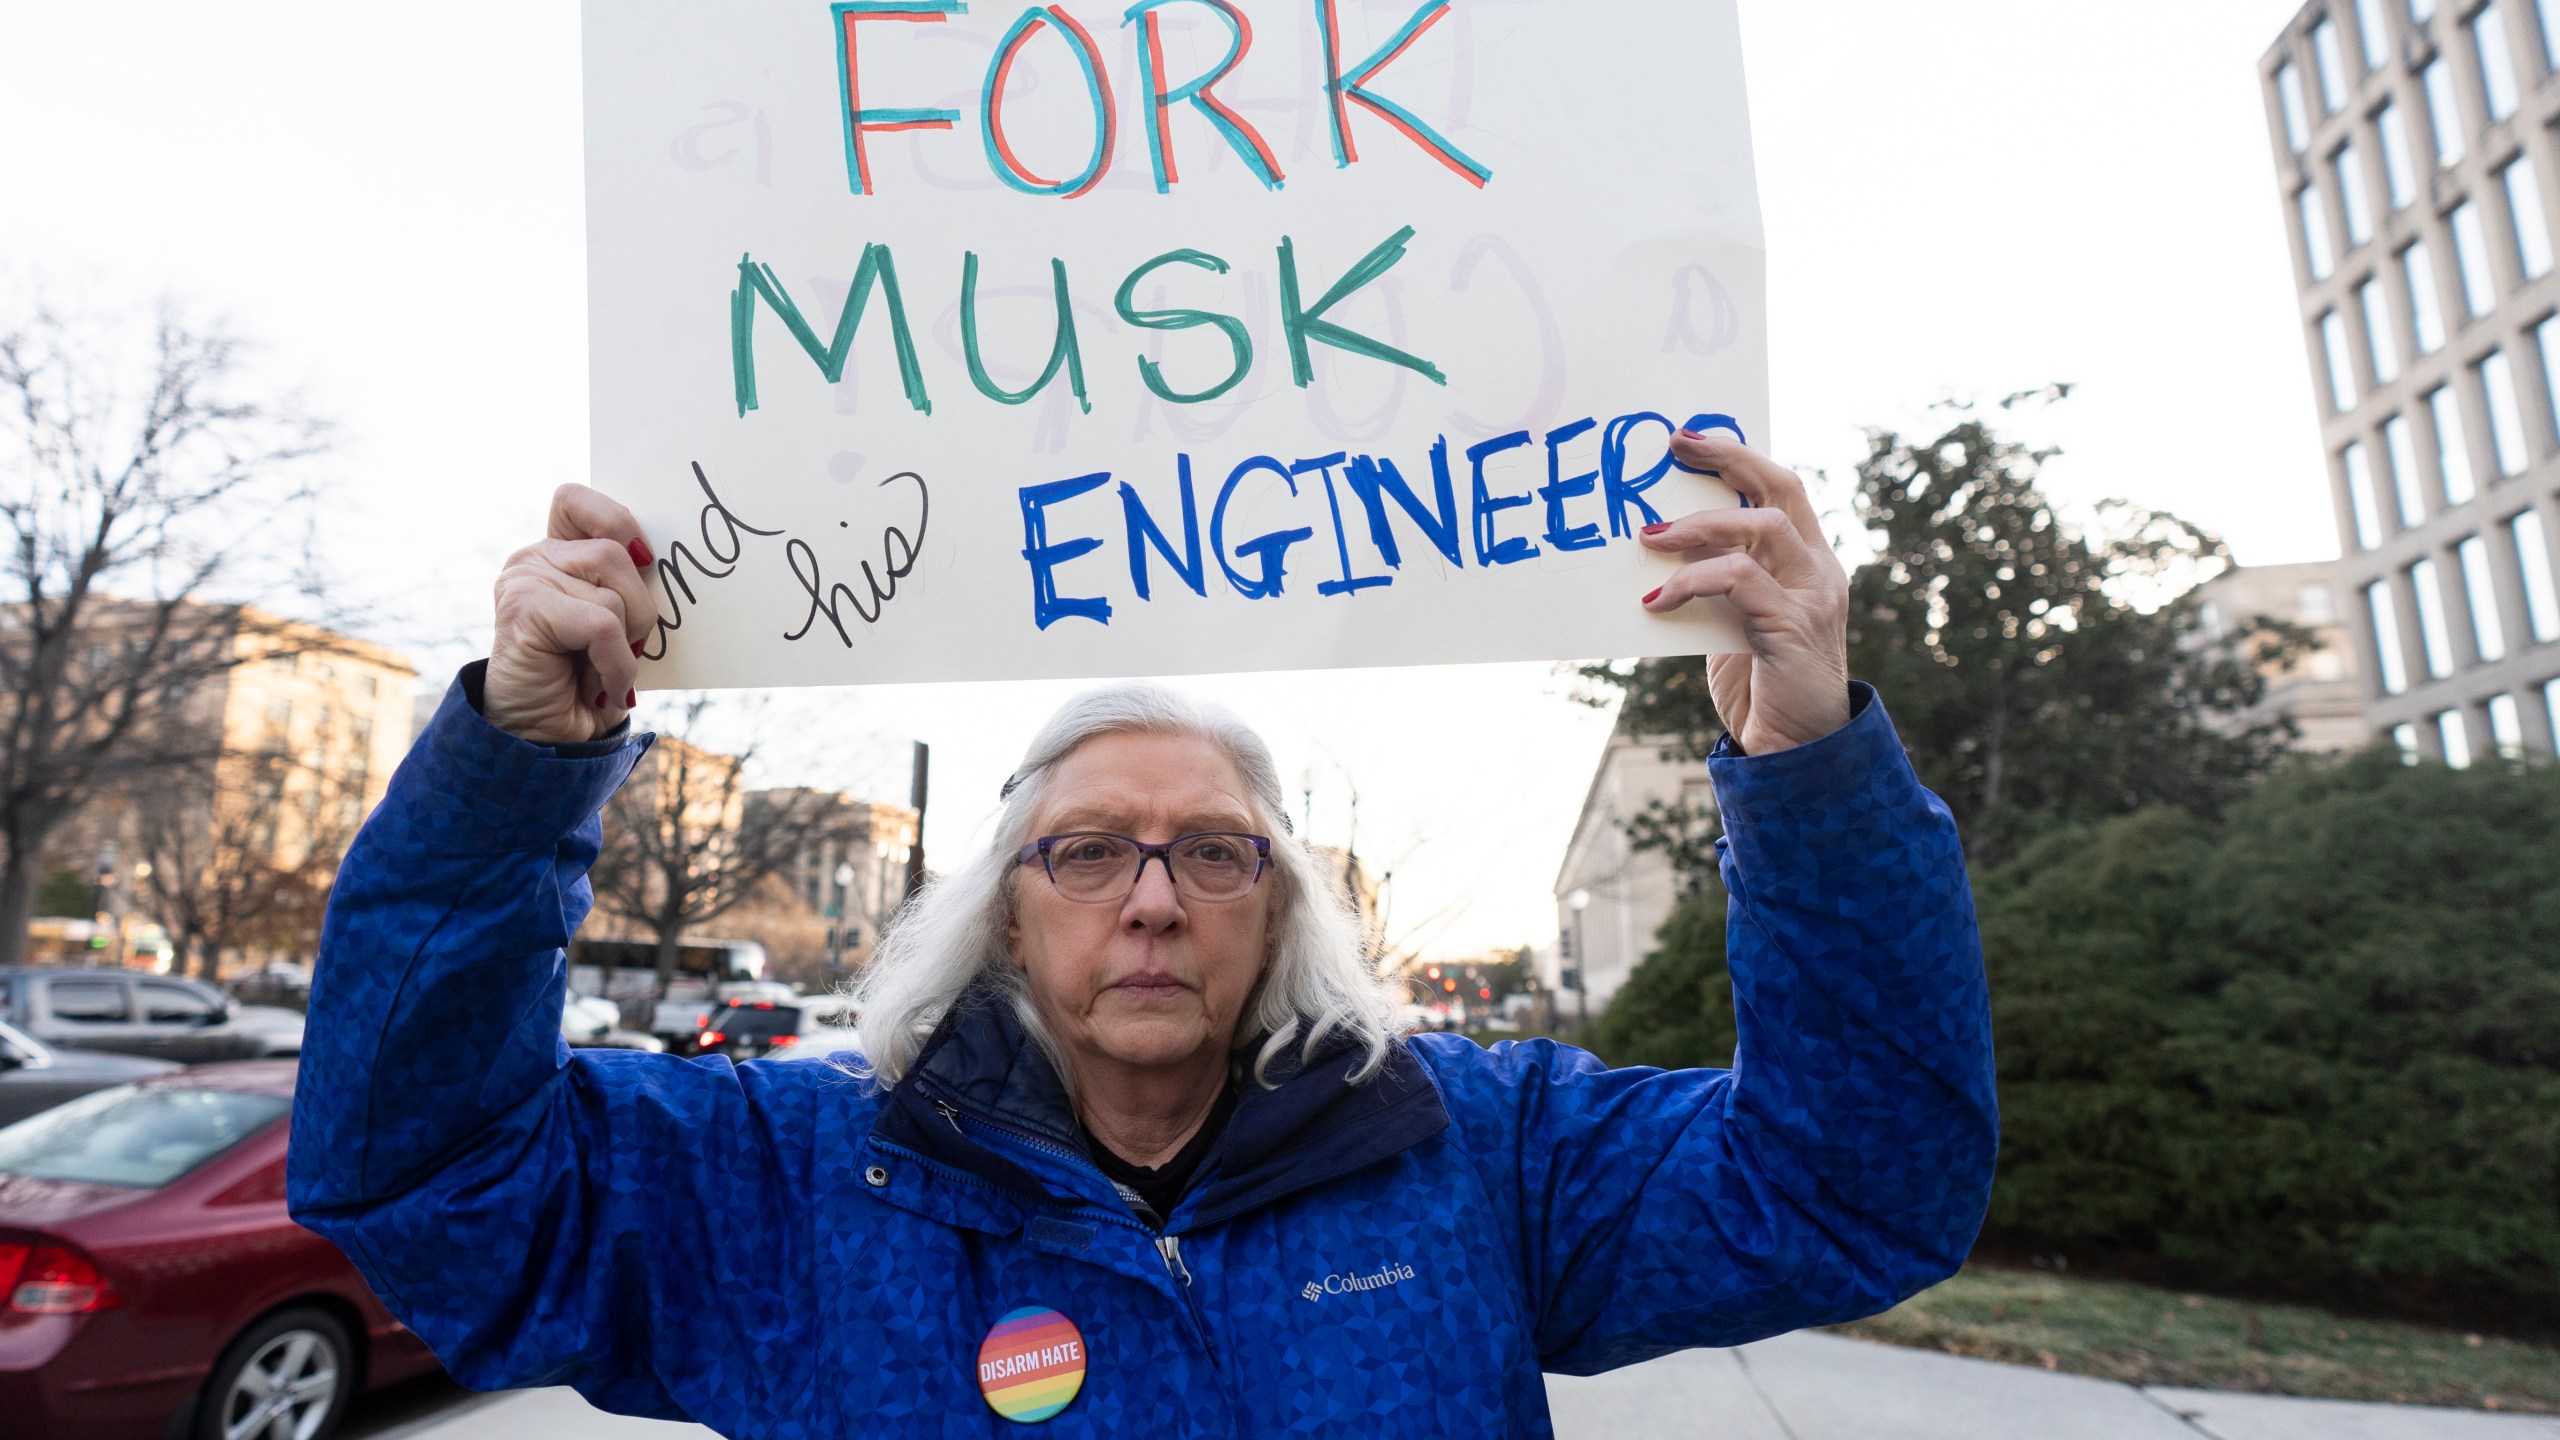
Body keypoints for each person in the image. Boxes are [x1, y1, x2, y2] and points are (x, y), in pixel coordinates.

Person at [287, 430, 1997, 1438]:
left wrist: (1810, 766)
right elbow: (430, 1189)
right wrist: (515, 778)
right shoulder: (795, 1180)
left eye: (1216, 855)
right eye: (1090, 851)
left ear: (1285, 911)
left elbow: (1857, 1189)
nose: (1156, 895)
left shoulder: (1482, 1152)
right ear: (1004, 912)